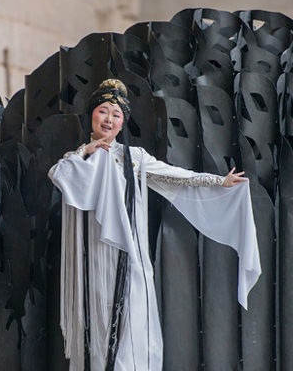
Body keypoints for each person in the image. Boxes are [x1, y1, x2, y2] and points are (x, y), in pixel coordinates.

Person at [48, 79, 261, 371]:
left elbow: (177, 176)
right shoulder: (77, 160)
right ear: (92, 115)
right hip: (95, 259)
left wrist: (219, 182)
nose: (109, 119)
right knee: (97, 326)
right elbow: (58, 175)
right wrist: (86, 152)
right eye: (103, 111)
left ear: (123, 122)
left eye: (116, 114)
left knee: (132, 323)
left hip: (129, 254)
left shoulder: (134, 159)